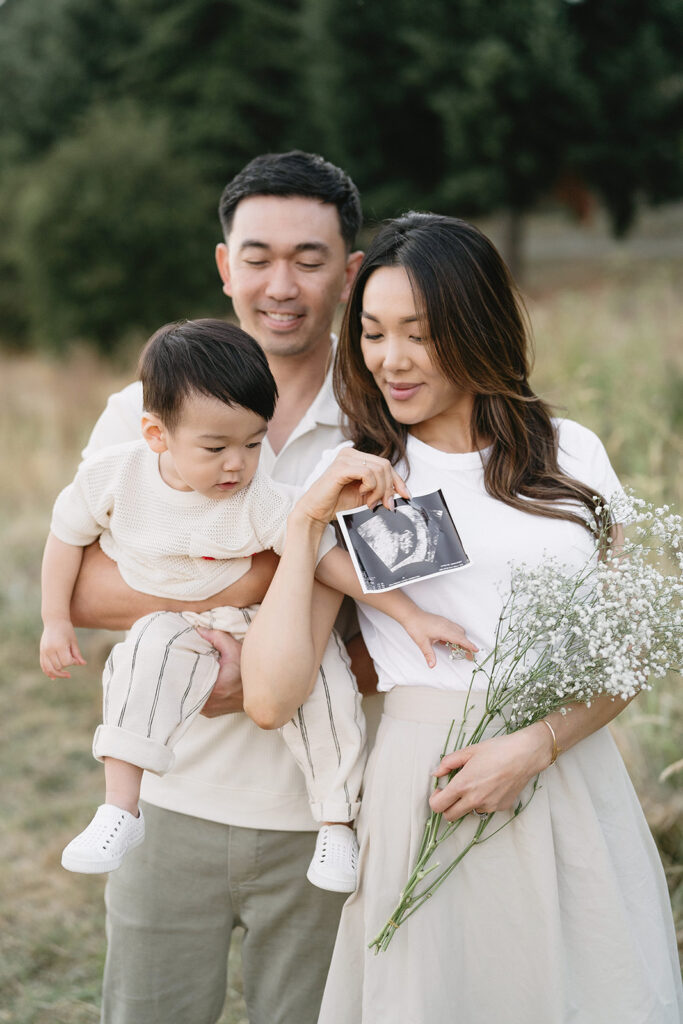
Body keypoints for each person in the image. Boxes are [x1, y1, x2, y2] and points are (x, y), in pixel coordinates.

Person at [241, 213, 683, 1024]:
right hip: (426, 786)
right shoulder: (360, 476)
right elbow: (271, 699)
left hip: (566, 772)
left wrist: (532, 746)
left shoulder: (569, 453)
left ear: (475, 325)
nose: (391, 360)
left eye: (419, 332)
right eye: (372, 334)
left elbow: (625, 648)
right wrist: (304, 525)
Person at [65, 152, 399, 1024]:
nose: (279, 284)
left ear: (350, 274)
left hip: (326, 816)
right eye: (256, 256)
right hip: (168, 800)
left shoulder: (386, 422)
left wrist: (254, 631)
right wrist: (275, 572)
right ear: (225, 264)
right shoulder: (144, 407)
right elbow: (90, 595)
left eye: (309, 258)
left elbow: (395, 605)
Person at [43, 318, 474, 884]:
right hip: (177, 622)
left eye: (253, 443)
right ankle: (121, 807)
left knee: (325, 677)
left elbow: (326, 559)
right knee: (142, 653)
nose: (236, 465)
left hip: (262, 625)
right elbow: (65, 536)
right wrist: (53, 621)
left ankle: (336, 822)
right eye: (216, 448)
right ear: (156, 435)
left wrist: (410, 614)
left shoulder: (258, 499)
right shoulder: (114, 477)